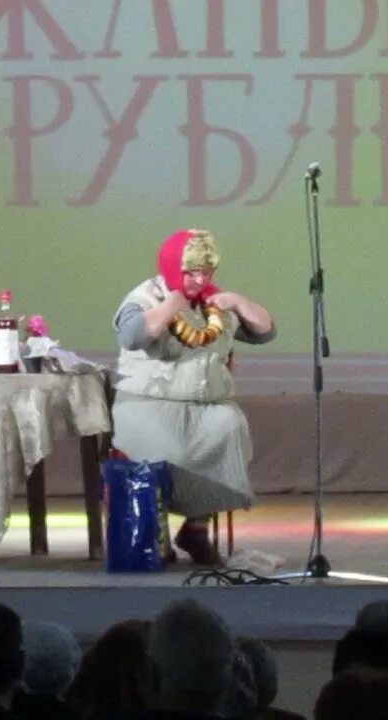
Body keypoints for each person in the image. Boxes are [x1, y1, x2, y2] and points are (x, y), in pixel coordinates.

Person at [111, 229, 276, 565]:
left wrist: (237, 301)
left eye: (206, 272)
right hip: (149, 403)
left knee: (228, 425)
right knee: (160, 445)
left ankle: (196, 529)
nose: (199, 280)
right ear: (174, 268)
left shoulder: (214, 303)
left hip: (205, 406)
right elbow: (132, 336)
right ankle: (152, 533)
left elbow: (265, 331)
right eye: (191, 273)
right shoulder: (146, 297)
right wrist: (172, 304)